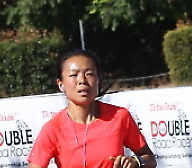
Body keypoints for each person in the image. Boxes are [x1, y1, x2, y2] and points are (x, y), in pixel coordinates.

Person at [27, 49, 157, 168]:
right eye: (74, 75)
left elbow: (150, 159)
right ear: (61, 84)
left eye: (89, 74)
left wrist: (136, 162)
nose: (82, 80)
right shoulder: (53, 128)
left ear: (98, 79)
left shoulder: (120, 116)